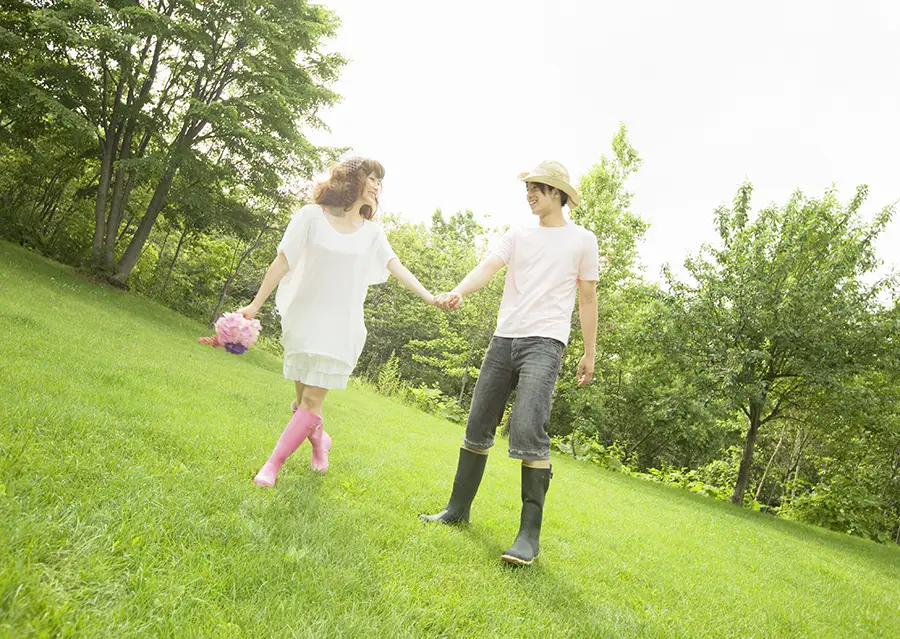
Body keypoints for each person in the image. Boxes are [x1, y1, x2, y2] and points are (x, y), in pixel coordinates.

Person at [422, 160, 599, 566]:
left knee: (527, 428)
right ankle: (457, 509)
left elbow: (588, 298)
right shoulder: (517, 234)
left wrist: (590, 353)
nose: (530, 193)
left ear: (558, 194)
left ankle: (528, 538)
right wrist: (458, 291)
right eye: (529, 186)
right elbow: (488, 267)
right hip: (505, 338)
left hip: (546, 343)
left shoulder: (582, 240)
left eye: (538, 187)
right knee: (478, 421)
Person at [236, 157, 436, 486]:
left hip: (342, 326)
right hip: (304, 318)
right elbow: (283, 260)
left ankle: (272, 465)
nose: (375, 184)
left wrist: (429, 297)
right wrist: (255, 304)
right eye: (369, 176)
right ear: (349, 179)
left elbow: (396, 267)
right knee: (302, 403)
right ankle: (320, 441)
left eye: (378, 180)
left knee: (313, 401)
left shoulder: (372, 233)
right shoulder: (310, 217)